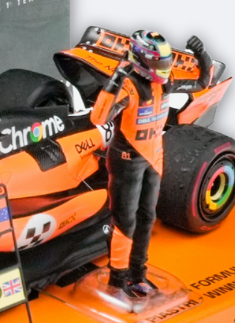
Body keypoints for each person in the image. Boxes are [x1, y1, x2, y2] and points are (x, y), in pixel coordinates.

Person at [90, 30, 214, 298]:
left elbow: (203, 82)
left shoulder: (167, 81)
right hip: (127, 160)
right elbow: (98, 118)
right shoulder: (128, 85)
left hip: (154, 157)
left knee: (147, 218)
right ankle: (117, 277)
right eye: (159, 63)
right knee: (125, 220)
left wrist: (202, 55)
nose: (165, 68)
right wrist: (116, 78)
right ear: (141, 61)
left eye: (166, 62)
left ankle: (138, 273)